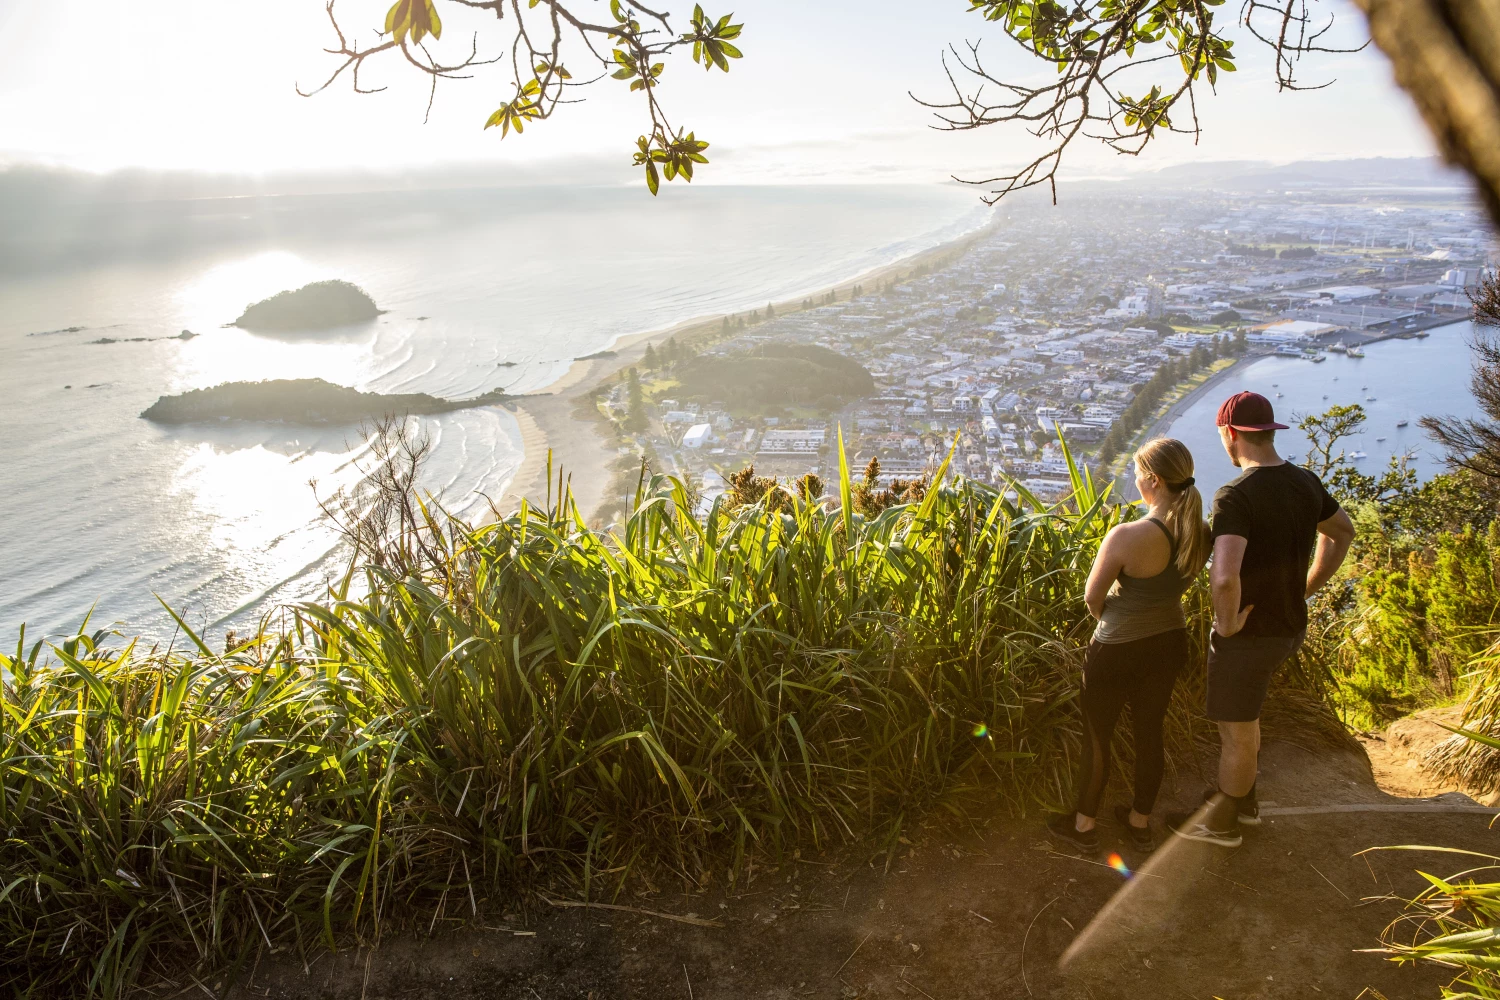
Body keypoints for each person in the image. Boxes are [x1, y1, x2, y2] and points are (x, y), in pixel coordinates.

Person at [1169, 391, 1354, 847]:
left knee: (1236, 732)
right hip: (1290, 627)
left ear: (1230, 434)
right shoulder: (1305, 482)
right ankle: (1243, 802)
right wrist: (1305, 587)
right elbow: (1342, 532)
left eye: (1220, 436)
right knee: (1247, 721)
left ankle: (1223, 824)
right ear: (1269, 432)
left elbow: (1225, 576)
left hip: (1249, 635)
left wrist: (1226, 624)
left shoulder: (1236, 494)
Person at [1048, 438, 1211, 855]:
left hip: (1117, 648)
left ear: (1153, 480)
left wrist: (1115, 622)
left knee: (1098, 736)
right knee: (1149, 733)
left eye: (1137, 474)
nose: (1135, 480)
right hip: (1168, 643)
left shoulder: (1127, 535)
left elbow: (1092, 597)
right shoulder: (1199, 532)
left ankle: (1084, 826)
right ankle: (1140, 823)